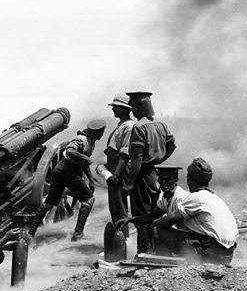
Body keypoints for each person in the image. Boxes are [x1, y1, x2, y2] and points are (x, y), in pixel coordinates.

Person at [27, 119, 106, 241]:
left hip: (62, 171)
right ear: (98, 133)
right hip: (68, 171)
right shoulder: (81, 139)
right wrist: (84, 157)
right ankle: (78, 234)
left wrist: (90, 179)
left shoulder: (91, 142)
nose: (102, 135)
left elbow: (84, 164)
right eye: (101, 132)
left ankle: (30, 233)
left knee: (49, 203)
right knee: (89, 200)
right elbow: (69, 150)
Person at [150, 158, 238, 265]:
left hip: (211, 254)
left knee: (157, 230)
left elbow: (169, 221)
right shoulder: (214, 197)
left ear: (189, 180)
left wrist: (153, 223)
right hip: (228, 255)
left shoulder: (196, 198)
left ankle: (162, 266)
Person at [123, 92, 176, 254]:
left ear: (139, 106)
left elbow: (137, 158)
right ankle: (156, 252)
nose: (132, 110)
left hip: (143, 176)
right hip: (156, 175)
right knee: (155, 216)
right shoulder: (161, 125)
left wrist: (130, 183)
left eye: (133, 106)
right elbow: (172, 146)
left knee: (142, 219)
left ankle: (143, 254)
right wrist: (158, 160)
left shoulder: (139, 127)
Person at [115, 164, 189, 252]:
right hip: (182, 236)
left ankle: (175, 256)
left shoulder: (180, 197)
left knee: (156, 229)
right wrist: (130, 219)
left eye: (168, 179)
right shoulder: (164, 198)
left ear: (176, 180)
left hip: (190, 238)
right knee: (154, 226)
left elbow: (182, 226)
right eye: (161, 179)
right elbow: (151, 217)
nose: (164, 182)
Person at [99, 93, 134, 238]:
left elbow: (125, 154)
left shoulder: (129, 127)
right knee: (115, 206)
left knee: (119, 206)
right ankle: (120, 238)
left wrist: (116, 175)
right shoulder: (121, 125)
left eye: (116, 107)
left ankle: (122, 240)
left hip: (120, 169)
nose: (113, 109)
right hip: (114, 166)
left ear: (125, 109)